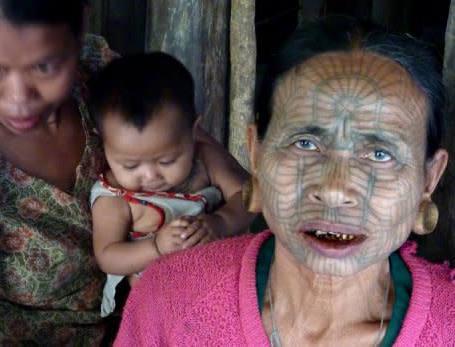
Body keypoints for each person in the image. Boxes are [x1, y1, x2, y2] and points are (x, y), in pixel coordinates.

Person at [114, 16, 455, 346]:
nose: (334, 190)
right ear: (257, 155)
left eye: (380, 154)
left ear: (428, 178)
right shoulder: (172, 298)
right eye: (306, 144)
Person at [0, 1, 249, 345]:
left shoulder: (97, 73)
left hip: (154, 324)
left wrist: (217, 220)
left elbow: (208, 159)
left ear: (79, 32)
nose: (18, 99)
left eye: (44, 66)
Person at [89, 52, 253, 317]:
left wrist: (221, 222)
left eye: (167, 160)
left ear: (192, 130)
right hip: (160, 310)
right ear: (104, 143)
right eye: (130, 166)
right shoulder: (114, 197)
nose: (151, 176)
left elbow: (249, 195)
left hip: (225, 287)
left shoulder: (205, 160)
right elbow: (108, 255)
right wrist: (156, 248)